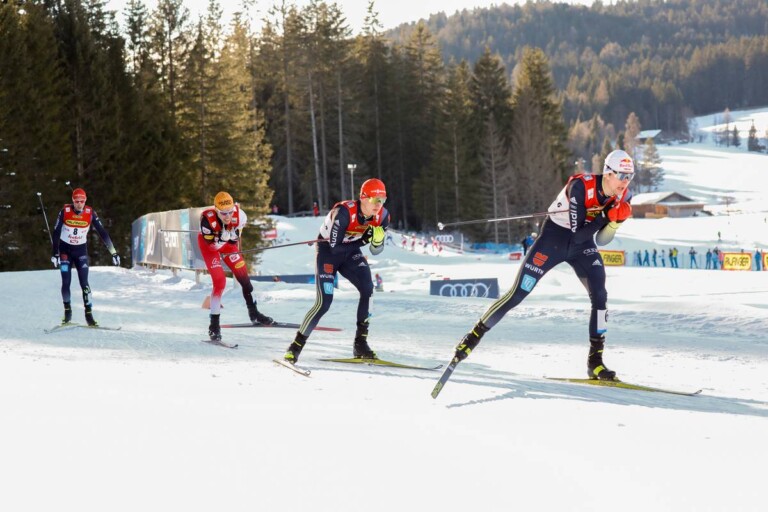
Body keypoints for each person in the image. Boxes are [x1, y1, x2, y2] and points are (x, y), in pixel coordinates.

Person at [447, 149, 635, 381]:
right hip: (553, 239)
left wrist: (616, 222)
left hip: (583, 245)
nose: (625, 182)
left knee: (600, 294)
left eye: (630, 177)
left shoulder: (624, 196)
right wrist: (606, 217)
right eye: (622, 175)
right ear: (607, 173)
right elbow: (576, 234)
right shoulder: (581, 186)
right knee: (517, 294)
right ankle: (472, 338)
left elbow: (600, 239)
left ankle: (595, 361)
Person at [283, 178, 390, 364]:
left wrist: (377, 241)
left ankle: (360, 344)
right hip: (328, 252)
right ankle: (295, 347)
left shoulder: (383, 216)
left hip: (350, 252)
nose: (378, 205)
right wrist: (364, 240)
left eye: (382, 200)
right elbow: (334, 247)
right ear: (363, 198)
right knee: (324, 303)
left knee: (368, 289)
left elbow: (375, 251)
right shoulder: (344, 213)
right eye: (374, 200)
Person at [198, 191, 273, 342]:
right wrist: (220, 239)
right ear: (216, 210)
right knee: (220, 282)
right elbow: (212, 247)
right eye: (223, 213)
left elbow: (233, 242)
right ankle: (214, 326)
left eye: (230, 212)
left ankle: (254, 313)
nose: (227, 216)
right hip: (210, 246)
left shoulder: (241, 216)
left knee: (244, 278)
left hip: (228, 244)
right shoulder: (207, 220)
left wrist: (228, 238)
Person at [51, 188, 120, 326]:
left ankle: (89, 315)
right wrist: (55, 253)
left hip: (80, 252)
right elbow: (56, 232)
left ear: (85, 201)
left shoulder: (90, 213)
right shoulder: (64, 212)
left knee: (84, 283)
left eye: (82, 201)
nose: (79, 204)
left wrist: (113, 252)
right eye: (76, 201)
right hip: (65, 252)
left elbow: (102, 232)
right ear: (72, 200)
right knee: (66, 282)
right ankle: (68, 313)